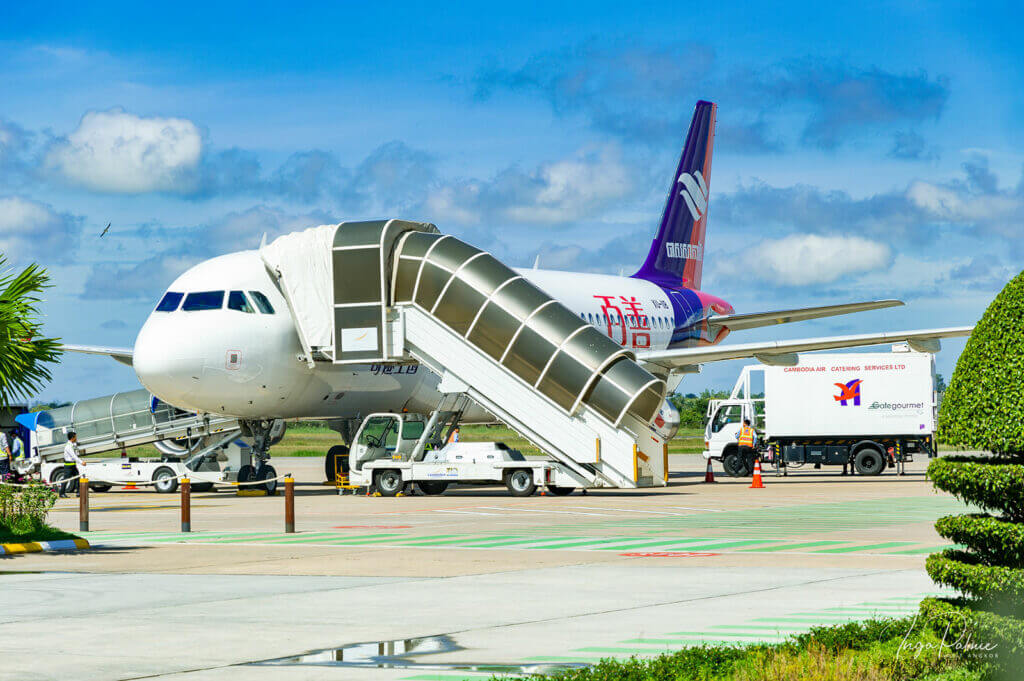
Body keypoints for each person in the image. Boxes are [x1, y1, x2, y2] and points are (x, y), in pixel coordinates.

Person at [59, 431, 85, 498]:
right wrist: (81, 462)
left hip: (73, 465)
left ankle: (78, 492)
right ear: (72, 438)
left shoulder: (72, 445)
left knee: (77, 478)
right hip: (68, 466)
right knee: (66, 479)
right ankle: (61, 493)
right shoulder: (68, 447)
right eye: (75, 437)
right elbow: (73, 456)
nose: (76, 438)